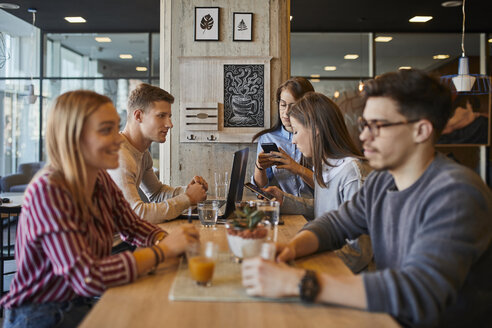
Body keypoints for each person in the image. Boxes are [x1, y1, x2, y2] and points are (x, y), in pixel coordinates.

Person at [242, 69, 492, 327]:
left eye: (378, 126)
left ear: (421, 130)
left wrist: (297, 282)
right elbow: (335, 224)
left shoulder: (457, 193)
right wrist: (290, 249)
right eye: (364, 125)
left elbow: (418, 291)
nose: (363, 137)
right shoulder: (382, 182)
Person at [0, 90, 200, 328]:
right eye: (106, 130)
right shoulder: (50, 190)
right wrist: (162, 251)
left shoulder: (99, 178)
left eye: (115, 127)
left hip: (77, 303)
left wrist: (165, 239)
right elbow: (88, 276)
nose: (118, 139)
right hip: (41, 316)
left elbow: (132, 225)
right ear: (74, 138)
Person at [263, 92, 373, 273]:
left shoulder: (352, 173)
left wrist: (311, 269)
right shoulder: (325, 166)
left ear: (315, 129)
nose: (294, 140)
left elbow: (359, 251)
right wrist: (285, 200)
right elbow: (327, 209)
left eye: (296, 132)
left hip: (345, 280)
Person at [107, 83, 207, 224]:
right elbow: (137, 214)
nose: (170, 124)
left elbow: (156, 193)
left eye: (169, 116)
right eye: (161, 116)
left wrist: (189, 191)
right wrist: (188, 198)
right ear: (138, 116)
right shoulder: (120, 157)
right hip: (112, 243)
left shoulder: (143, 154)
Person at [252, 77, 315, 198]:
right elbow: (261, 189)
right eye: (283, 105)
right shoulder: (268, 138)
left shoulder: (317, 136)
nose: (286, 112)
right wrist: (259, 167)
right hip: (285, 210)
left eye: (293, 106)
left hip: (317, 211)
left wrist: (296, 168)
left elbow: (328, 187)